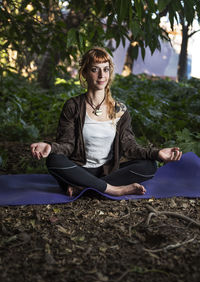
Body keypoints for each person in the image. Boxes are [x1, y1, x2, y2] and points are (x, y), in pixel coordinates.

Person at [30, 47, 182, 197]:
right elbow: (67, 145)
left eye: (106, 69)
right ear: (84, 73)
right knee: (54, 160)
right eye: (95, 69)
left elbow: (130, 148)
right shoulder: (73, 106)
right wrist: (50, 147)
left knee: (149, 165)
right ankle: (112, 189)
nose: (102, 75)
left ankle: (84, 187)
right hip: (79, 169)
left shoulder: (119, 110)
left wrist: (157, 153)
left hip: (107, 171)